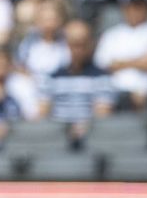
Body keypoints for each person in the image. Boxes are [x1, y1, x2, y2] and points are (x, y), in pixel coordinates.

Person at [41, 19, 115, 149]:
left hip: (91, 142)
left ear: (90, 44)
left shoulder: (102, 77)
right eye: (74, 44)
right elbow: (42, 113)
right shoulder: (53, 77)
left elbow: (102, 114)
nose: (78, 50)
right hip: (56, 142)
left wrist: (81, 129)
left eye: (83, 44)